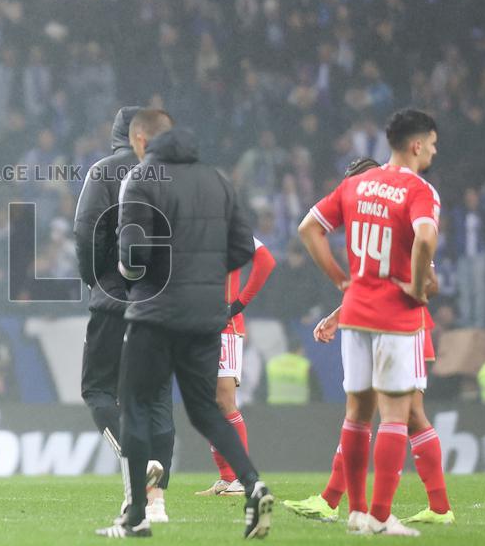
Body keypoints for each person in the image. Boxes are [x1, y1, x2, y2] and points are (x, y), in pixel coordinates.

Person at [98, 109, 273, 539]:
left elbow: (134, 258)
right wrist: (207, 278)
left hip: (155, 314)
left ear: (141, 140)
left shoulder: (140, 179)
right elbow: (242, 248)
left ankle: (137, 513)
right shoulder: (216, 180)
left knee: (136, 407)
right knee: (208, 412)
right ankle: (253, 485)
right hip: (206, 317)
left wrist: (130, 270)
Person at [284, 157, 454, 526]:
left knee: (380, 412)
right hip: (386, 324)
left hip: (404, 327)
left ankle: (337, 500)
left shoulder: (401, 216)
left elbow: (426, 283)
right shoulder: (377, 222)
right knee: (406, 416)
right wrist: (337, 314)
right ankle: (438, 508)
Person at [74, 106, 171, 524]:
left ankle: (137, 458)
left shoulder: (104, 171)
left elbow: (86, 231)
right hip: (164, 306)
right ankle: (154, 502)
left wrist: (95, 280)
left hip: (115, 300)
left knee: (98, 390)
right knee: (155, 397)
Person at [196, 237, 276, 496]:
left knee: (224, 401)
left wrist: (238, 305)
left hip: (223, 328)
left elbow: (265, 260)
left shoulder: (229, 226)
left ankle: (243, 479)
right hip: (197, 328)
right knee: (209, 405)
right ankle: (226, 477)